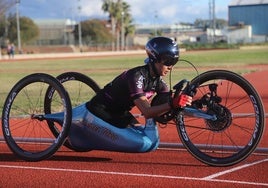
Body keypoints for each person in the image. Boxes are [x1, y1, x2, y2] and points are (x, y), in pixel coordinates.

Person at [86, 36, 192, 128]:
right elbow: (147, 112)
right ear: (154, 58)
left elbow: (166, 109)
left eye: (174, 62)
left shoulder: (160, 83)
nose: (171, 67)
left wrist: (186, 103)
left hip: (121, 112)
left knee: (140, 135)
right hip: (102, 107)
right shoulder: (136, 76)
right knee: (134, 141)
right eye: (168, 61)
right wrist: (173, 103)